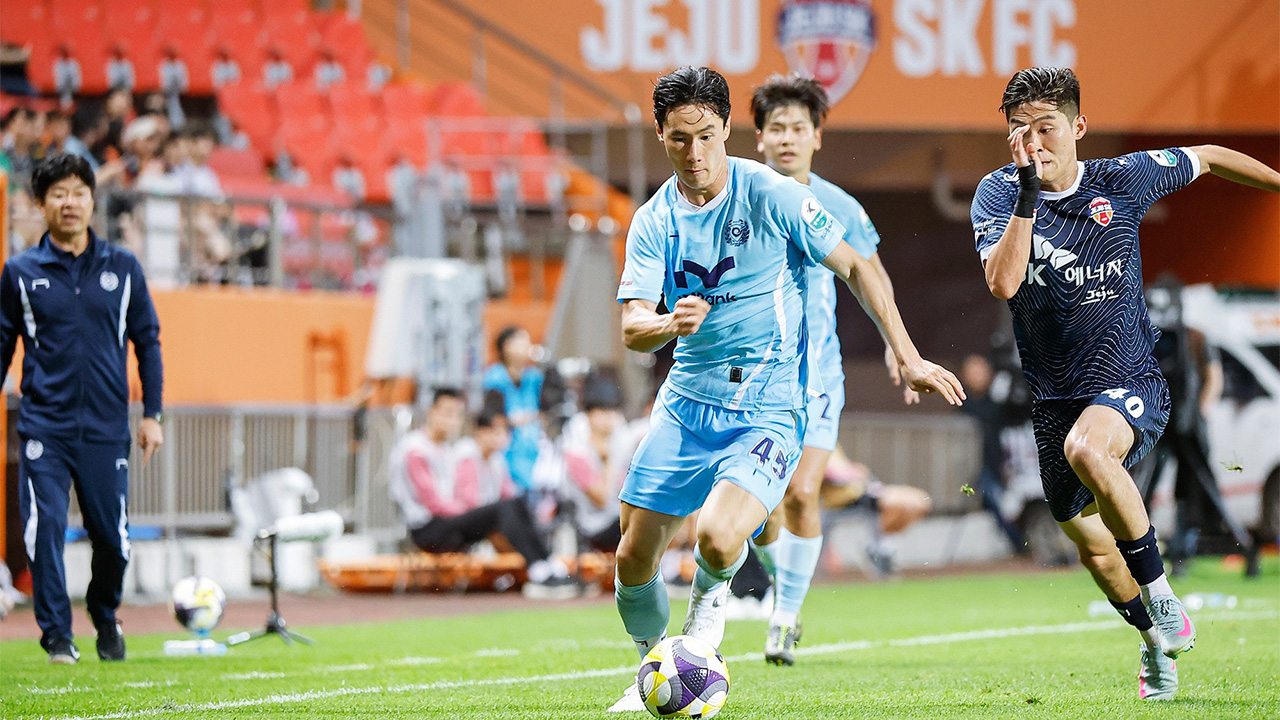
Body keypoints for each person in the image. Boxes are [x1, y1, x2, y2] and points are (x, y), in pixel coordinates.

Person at [607, 66, 963, 712]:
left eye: (706, 137)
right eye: (680, 139)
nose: (695, 153)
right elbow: (633, 328)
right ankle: (653, 669)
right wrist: (668, 324)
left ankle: (711, 637)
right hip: (686, 402)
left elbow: (858, 266)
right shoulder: (653, 220)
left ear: (726, 130)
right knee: (632, 556)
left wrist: (906, 354)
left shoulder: (770, 193)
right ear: (661, 134)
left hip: (769, 403)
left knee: (720, 535)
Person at [970, 67, 1280, 701]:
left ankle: (1162, 595)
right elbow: (1002, 283)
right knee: (1094, 550)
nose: (1033, 142)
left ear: (1078, 127)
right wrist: (1027, 194)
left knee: (1089, 449)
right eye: (1020, 130)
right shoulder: (998, 194)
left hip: (1129, 379)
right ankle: (1153, 639)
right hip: (1054, 399)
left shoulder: (1122, 180)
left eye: (1046, 128)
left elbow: (1210, 155)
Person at [745, 73, 921, 666]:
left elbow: (872, 278)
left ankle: (785, 617)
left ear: (817, 136)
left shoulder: (838, 205)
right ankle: (784, 586)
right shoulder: (738, 197)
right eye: (777, 128)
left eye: (799, 128)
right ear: (759, 137)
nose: (787, 138)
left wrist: (898, 348)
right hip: (753, 380)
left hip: (817, 376)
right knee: (761, 509)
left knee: (801, 493)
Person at [0, 154, 165, 664]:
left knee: (113, 540)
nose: (69, 203)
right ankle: (57, 636)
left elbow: (148, 341)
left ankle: (104, 611)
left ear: (93, 201)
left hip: (105, 429)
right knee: (44, 529)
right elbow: (2, 345)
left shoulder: (124, 268)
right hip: (43, 428)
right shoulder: (19, 273)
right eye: (58, 194)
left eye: (78, 193)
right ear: (40, 203)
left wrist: (153, 414)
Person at [387, 388, 575, 598]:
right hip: (427, 528)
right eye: (447, 413)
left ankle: (546, 563)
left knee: (515, 503)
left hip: (450, 520)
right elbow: (434, 504)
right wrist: (474, 512)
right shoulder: (415, 449)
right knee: (502, 508)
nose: (452, 421)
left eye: (457, 415)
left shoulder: (447, 450)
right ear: (430, 412)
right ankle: (539, 569)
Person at [958, 353, 1027, 553]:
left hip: (1008, 464)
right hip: (981, 467)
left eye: (980, 370)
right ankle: (1019, 544)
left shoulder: (1001, 397)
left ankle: (1023, 543)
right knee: (994, 499)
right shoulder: (965, 402)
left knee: (1010, 505)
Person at [482, 327, 544, 491]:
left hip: (533, 450)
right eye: (520, 341)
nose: (527, 346)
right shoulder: (494, 377)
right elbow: (491, 417)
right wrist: (515, 420)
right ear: (506, 346)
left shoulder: (534, 376)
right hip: (505, 451)